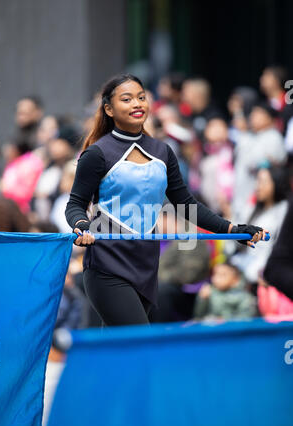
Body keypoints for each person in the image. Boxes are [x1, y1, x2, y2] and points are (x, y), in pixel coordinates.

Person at [65, 73, 268, 327]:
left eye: (141, 97)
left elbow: (186, 205)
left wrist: (232, 229)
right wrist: (82, 225)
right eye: (127, 99)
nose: (137, 104)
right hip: (107, 264)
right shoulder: (97, 154)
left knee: (122, 355)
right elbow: (75, 205)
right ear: (109, 109)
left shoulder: (162, 152)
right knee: (140, 343)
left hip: (146, 265)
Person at [192, 262, 257, 321]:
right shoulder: (210, 292)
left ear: (235, 279)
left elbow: (246, 316)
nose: (217, 278)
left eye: (222, 275)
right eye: (215, 274)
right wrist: (202, 299)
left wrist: (226, 319)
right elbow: (198, 315)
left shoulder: (244, 296)